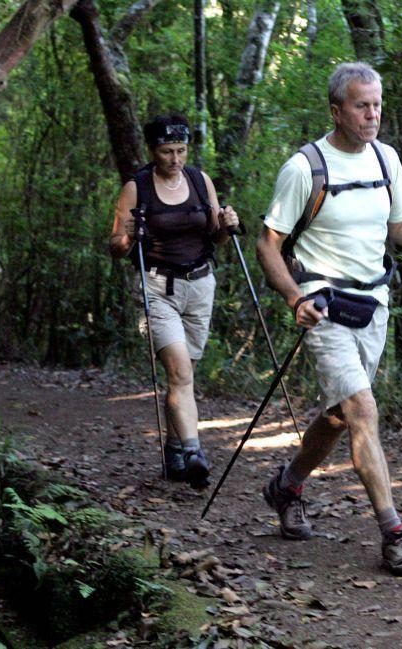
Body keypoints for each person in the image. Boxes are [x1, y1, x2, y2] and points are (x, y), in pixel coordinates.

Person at [255, 62, 402, 575]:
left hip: (375, 305)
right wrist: (295, 298)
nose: (373, 115)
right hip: (324, 306)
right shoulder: (306, 167)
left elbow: (401, 229)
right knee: (364, 409)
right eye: (362, 105)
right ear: (336, 110)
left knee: (342, 415)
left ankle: (288, 485)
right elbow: (268, 242)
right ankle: (395, 535)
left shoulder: (387, 160)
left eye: (378, 105)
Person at [108, 114, 240, 489]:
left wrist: (227, 224)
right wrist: (128, 237)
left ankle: (173, 450)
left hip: (200, 285)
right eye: (167, 151)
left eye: (181, 150)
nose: (175, 159)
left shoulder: (200, 181)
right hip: (157, 288)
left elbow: (217, 237)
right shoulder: (137, 187)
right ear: (153, 150)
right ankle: (195, 452)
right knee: (180, 372)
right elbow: (115, 246)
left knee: (183, 376)